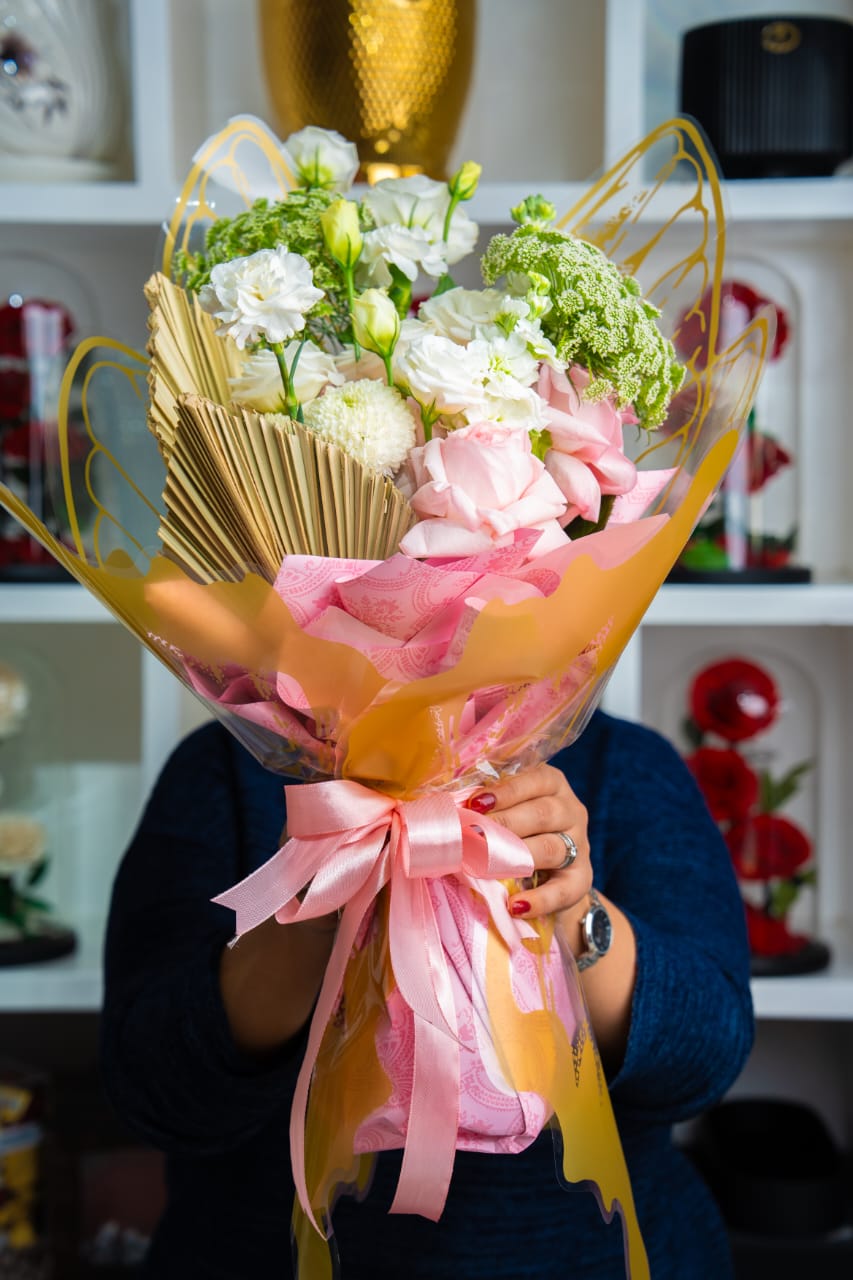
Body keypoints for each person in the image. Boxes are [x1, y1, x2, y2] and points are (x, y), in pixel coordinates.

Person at [100, 708, 754, 1279]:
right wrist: (307, 908)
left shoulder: (623, 764)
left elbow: (703, 1060)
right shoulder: (232, 763)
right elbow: (155, 1088)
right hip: (252, 1256)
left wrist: (568, 911)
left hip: (596, 1258)